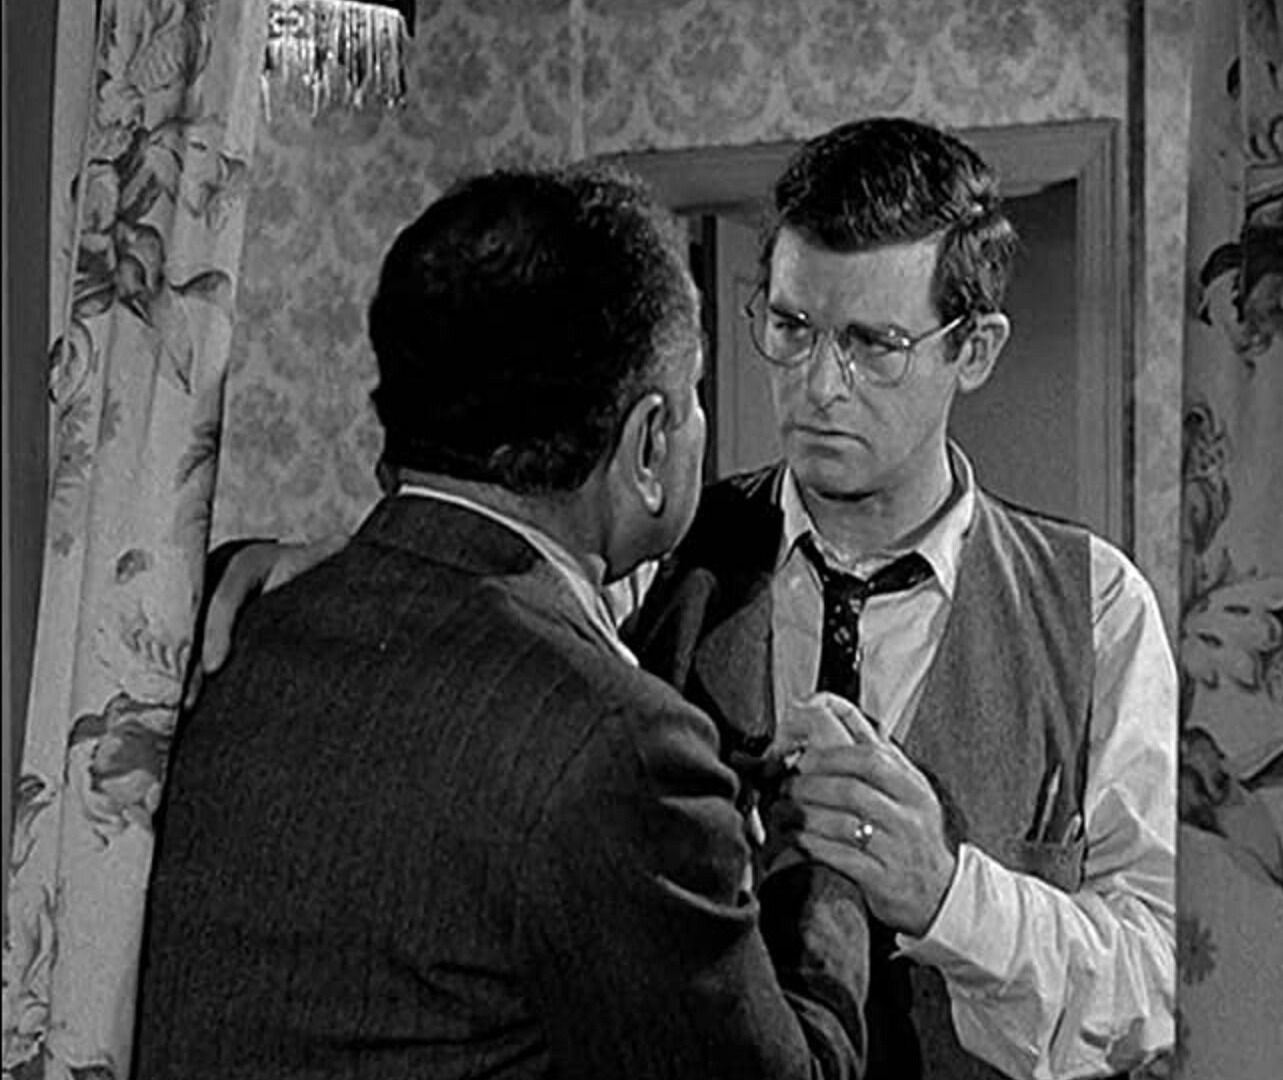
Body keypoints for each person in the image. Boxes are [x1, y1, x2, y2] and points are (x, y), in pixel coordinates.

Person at [200, 117, 1177, 1080]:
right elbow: (488, 598)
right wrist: (315, 564)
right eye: (791, 327)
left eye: (873, 344)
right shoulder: (650, 560)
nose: (820, 386)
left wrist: (951, 897)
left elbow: (1156, 991)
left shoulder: (1095, 610)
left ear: (976, 349)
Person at [133, 166, 871, 1080]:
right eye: (694, 392)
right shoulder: (625, 746)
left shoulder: (219, 631)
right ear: (649, 444)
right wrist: (826, 866)